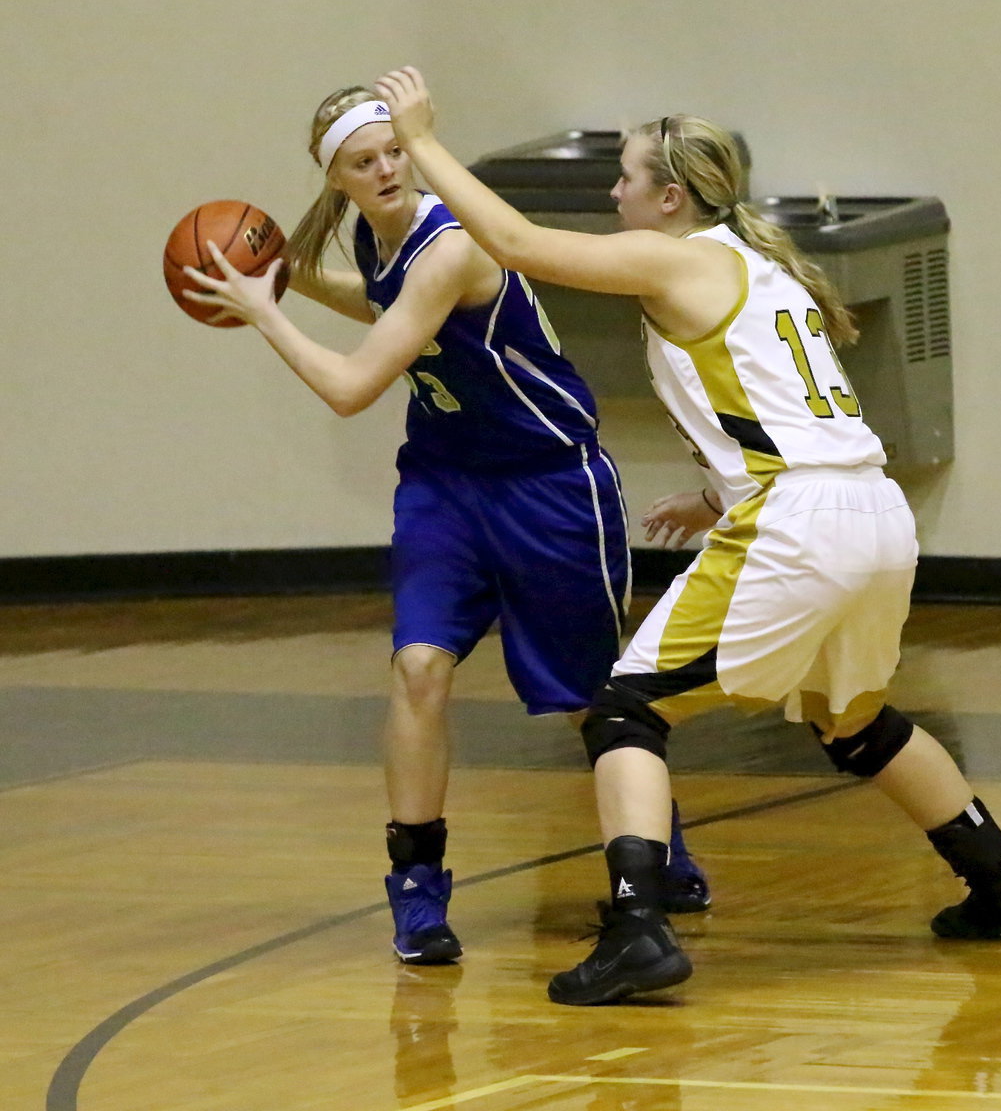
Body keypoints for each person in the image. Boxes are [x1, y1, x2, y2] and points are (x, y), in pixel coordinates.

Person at [373, 66, 1001, 1004]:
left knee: (625, 710)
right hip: (869, 508)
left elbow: (513, 241)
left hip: (799, 522)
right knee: (852, 717)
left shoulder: (679, 257)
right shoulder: (764, 270)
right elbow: (788, 413)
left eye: (624, 180)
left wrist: (418, 139)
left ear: (670, 196)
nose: (613, 195)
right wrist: (714, 495)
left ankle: (638, 927)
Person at [181, 85, 711, 967]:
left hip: (549, 484)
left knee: (590, 700)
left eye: (395, 150)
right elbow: (385, 304)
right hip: (443, 482)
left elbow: (353, 389)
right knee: (418, 667)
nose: (387, 167)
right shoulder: (376, 239)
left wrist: (266, 308)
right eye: (364, 161)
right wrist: (293, 271)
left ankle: (664, 855)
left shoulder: (452, 246)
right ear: (339, 180)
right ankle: (418, 893)